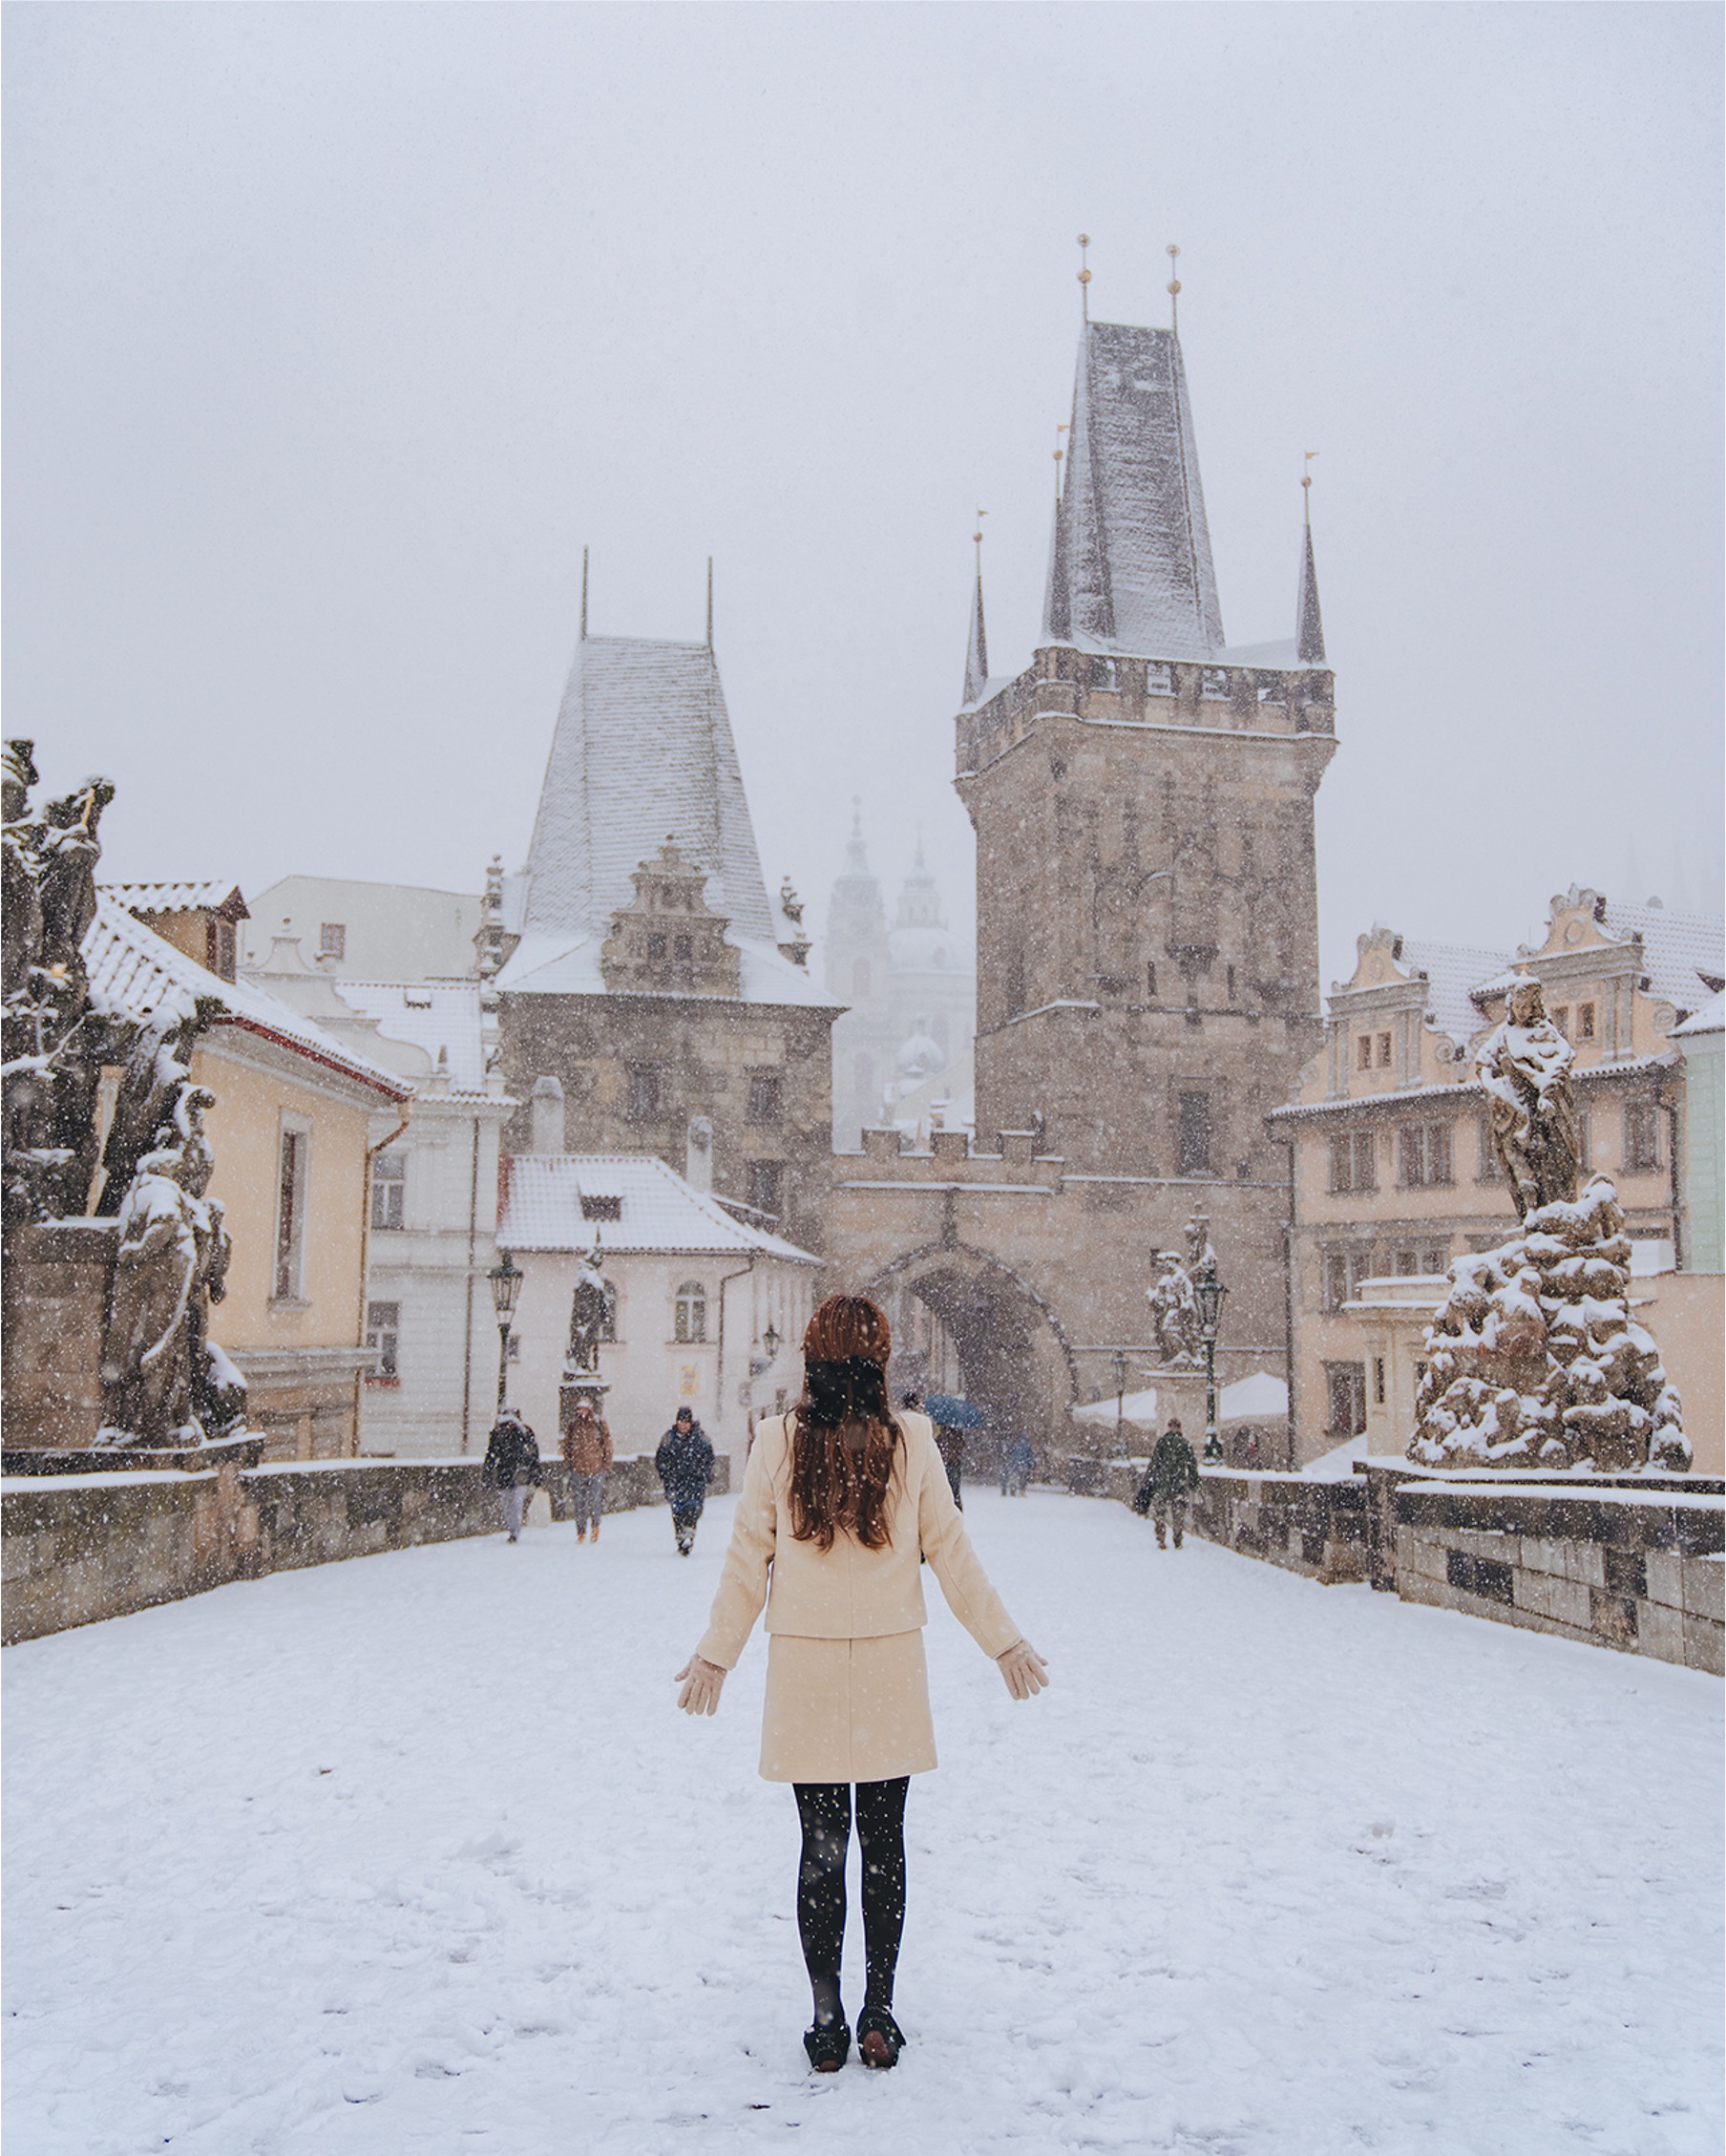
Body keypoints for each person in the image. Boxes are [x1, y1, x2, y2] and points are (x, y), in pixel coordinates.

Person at [674, 1295, 1049, 2075]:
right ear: (880, 1365)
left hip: (805, 1665)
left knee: (821, 1846)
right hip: (887, 1666)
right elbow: (951, 1550)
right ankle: (878, 2006)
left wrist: (717, 1653)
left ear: (810, 1363)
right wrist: (1002, 1641)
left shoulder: (777, 1442)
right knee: (883, 1843)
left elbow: (749, 1556)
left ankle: (825, 2016)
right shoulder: (913, 1439)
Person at [656, 1406, 714, 1555]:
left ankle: (688, 1535)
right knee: (677, 1512)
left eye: (686, 1422)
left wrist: (703, 1472)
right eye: (681, 1421)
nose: (683, 1425)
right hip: (675, 1482)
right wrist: (665, 1473)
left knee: (692, 1509)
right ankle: (681, 1539)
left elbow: (709, 1457)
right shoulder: (669, 1438)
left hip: (694, 1481)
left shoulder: (700, 1438)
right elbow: (661, 1457)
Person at [1137, 1417, 1200, 1549]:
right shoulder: (1185, 1444)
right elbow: (1192, 1465)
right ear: (1180, 1427)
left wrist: (1147, 1482)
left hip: (1162, 1485)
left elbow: (1154, 1464)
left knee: (1160, 1513)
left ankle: (1161, 1538)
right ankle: (1177, 1538)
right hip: (1178, 1485)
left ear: (1168, 1427)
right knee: (1178, 1514)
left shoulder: (1162, 1443)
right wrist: (1193, 1481)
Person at [481, 1409, 540, 1543]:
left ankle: (515, 1531)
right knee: (507, 1504)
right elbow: (491, 1455)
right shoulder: (498, 1434)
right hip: (505, 1473)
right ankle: (512, 1528)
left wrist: (536, 1474)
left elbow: (532, 1454)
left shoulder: (525, 1433)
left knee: (517, 1503)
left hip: (520, 1474)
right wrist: (487, 1474)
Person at [561, 1397, 614, 1544]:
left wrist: (606, 1465)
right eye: (579, 1409)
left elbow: (607, 1445)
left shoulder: (598, 1424)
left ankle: (595, 1526)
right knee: (579, 1503)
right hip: (578, 1469)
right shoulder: (573, 1425)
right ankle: (581, 1531)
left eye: (584, 1409)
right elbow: (567, 1446)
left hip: (596, 1469)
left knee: (594, 1501)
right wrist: (569, 1464)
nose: (581, 1412)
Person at [1006, 1432, 1035, 1496]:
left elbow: (1012, 1455)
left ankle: (1013, 1490)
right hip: (1024, 1465)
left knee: (1014, 1478)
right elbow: (1030, 1456)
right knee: (1023, 1479)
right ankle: (1022, 1492)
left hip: (1015, 1465)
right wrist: (1030, 1463)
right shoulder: (1027, 1446)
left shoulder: (1016, 1445)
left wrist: (1012, 1463)